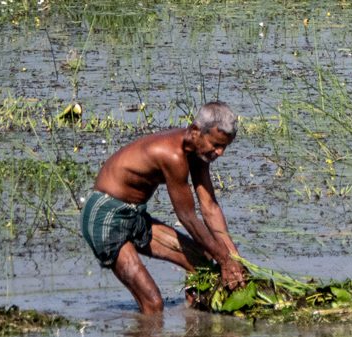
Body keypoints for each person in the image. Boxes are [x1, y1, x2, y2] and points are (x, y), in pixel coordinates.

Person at [80, 101, 246, 313]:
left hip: (134, 215)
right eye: (216, 145)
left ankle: (195, 330)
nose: (220, 152)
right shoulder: (172, 155)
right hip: (106, 216)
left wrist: (233, 258)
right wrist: (224, 260)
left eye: (224, 147)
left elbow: (209, 207)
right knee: (153, 304)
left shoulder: (199, 153)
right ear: (196, 131)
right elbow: (187, 216)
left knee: (201, 262)